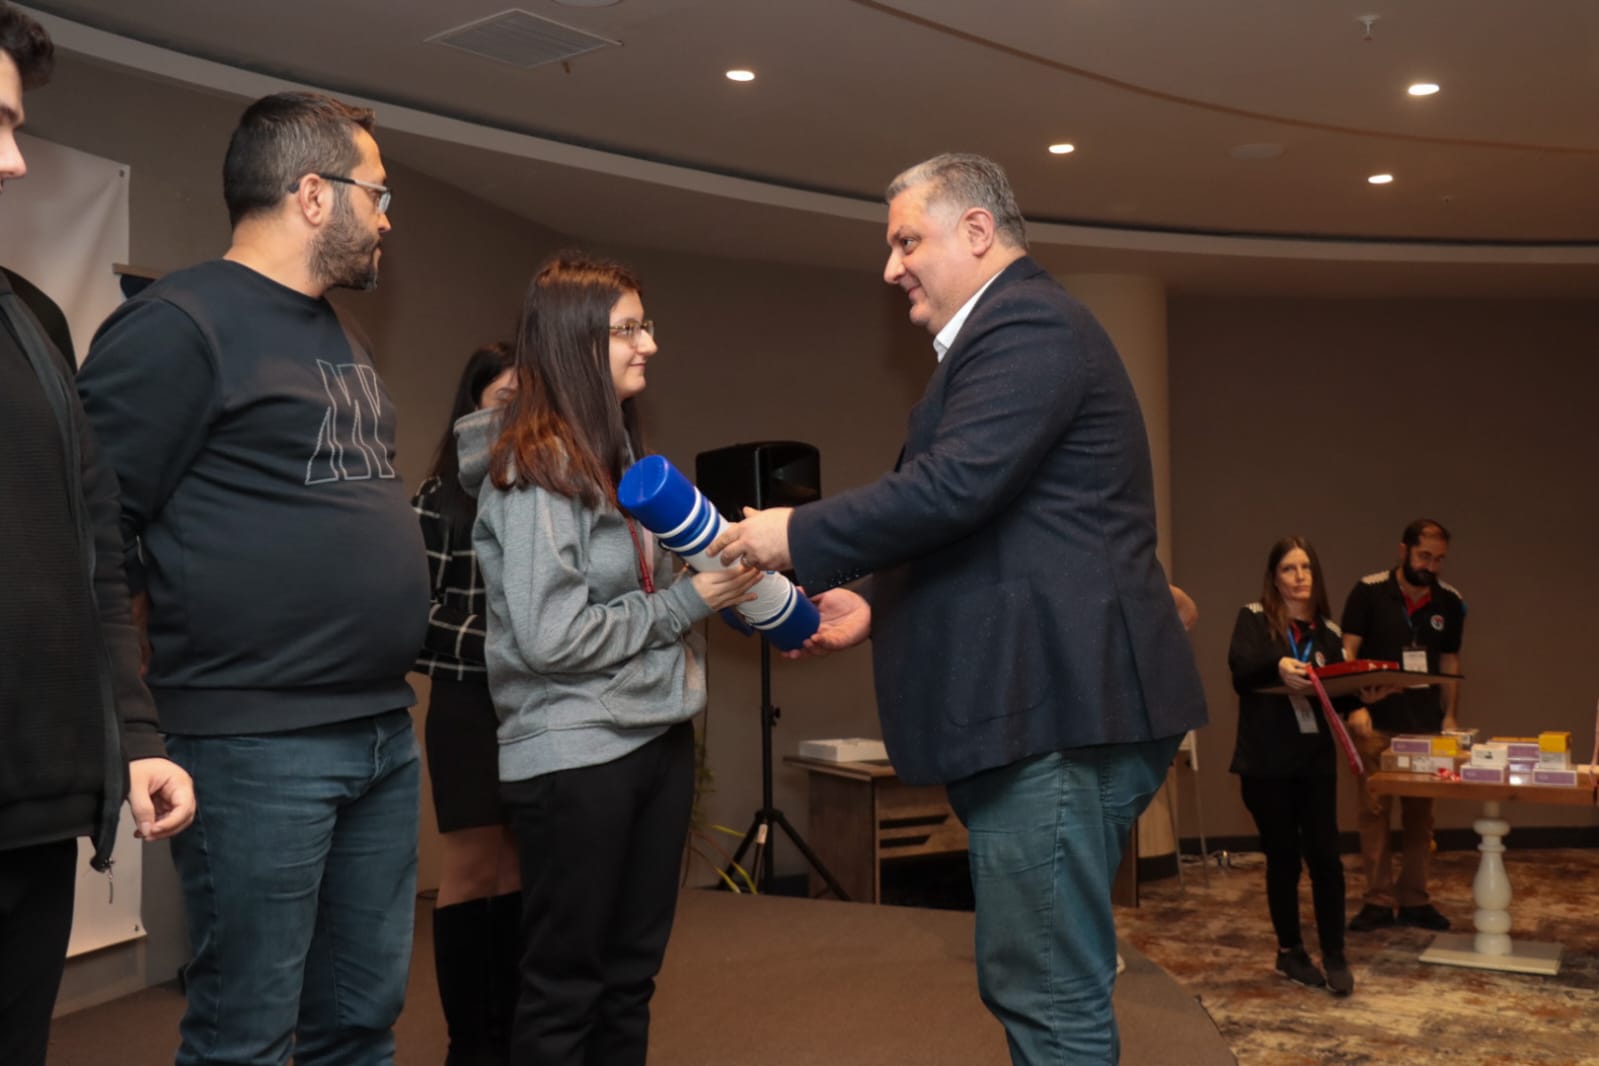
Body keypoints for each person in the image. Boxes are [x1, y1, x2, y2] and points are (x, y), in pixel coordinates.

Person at [708, 153, 1207, 1066]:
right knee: (1043, 982)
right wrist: (871, 602)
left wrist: (794, 533)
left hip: (1055, 716)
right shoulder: (1014, 333)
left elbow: (954, 488)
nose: (890, 267)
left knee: (1044, 991)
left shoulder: (1027, 324)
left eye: (906, 242)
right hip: (1051, 713)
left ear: (977, 231)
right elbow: (988, 524)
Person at [76, 91, 430, 1065]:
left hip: (377, 729)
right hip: (253, 742)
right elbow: (93, 531)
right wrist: (135, 728)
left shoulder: (340, 334)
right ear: (313, 194)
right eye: (377, 192)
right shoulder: (178, 325)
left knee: (360, 1020)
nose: (387, 218)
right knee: (247, 1033)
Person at [456, 253, 762, 1065]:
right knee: (566, 991)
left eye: (644, 325)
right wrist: (690, 602)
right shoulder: (532, 470)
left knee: (629, 981)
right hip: (575, 752)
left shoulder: (617, 453)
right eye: (628, 329)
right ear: (575, 342)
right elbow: (551, 637)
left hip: (655, 736)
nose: (648, 344)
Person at [0, 9, 195, 1063]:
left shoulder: (33, 321)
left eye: (15, 125)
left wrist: (138, 737)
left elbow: (95, 558)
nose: (14, 160)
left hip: (32, 806)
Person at [413, 341, 520, 1066]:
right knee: (474, 868)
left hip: (536, 707)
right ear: (473, 405)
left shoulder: (546, 495)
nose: (516, 414)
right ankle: (468, 1046)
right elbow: (410, 618)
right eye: (503, 399)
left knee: (519, 869)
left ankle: (508, 1036)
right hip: (467, 705)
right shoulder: (438, 498)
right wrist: (510, 643)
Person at [1227, 537, 1371, 997]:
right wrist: (1278, 664)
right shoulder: (1254, 618)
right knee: (1284, 859)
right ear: (1274, 577)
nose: (1300, 576)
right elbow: (1240, 671)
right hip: (1266, 763)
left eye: (1306, 567)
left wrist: (1366, 695)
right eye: (1289, 568)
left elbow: (1339, 695)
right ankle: (1290, 951)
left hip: (1315, 763)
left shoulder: (1328, 631)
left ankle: (1335, 952)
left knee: (1327, 858)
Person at [1341, 518, 1465, 934]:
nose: (1431, 566)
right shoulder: (1369, 591)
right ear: (1403, 551)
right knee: (1373, 813)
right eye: (1424, 556)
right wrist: (1353, 706)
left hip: (1425, 728)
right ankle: (1377, 901)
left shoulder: (1449, 601)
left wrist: (1450, 716)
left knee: (1421, 818)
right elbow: (1348, 652)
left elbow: (1450, 662)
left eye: (1439, 559)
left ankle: (1414, 899)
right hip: (1375, 723)